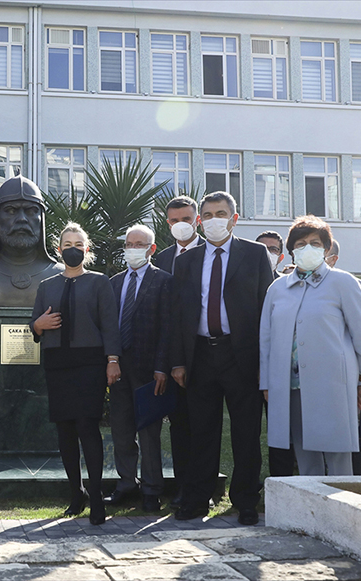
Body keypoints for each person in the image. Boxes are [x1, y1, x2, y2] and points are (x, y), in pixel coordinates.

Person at [171, 191, 272, 525]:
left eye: (221, 213)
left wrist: (264, 364)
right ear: (200, 219)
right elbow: (181, 315)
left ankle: (244, 501)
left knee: (245, 433)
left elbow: (266, 311)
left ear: (234, 218)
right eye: (208, 214)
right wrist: (179, 361)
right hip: (200, 354)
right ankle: (198, 500)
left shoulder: (255, 254)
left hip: (242, 355)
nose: (214, 219)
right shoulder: (185, 261)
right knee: (202, 432)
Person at [30, 222, 121, 526]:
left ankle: (96, 496)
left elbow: (110, 324)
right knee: (65, 432)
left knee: (87, 428)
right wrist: (38, 325)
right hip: (57, 364)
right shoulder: (46, 286)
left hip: (90, 364)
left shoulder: (99, 282)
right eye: (67, 243)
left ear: (87, 249)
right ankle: (75, 493)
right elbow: (35, 325)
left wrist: (112, 359)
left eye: (78, 243)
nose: (73, 248)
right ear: (58, 249)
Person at [260, 216, 361, 476]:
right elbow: (266, 339)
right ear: (292, 250)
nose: (308, 248)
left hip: (334, 384)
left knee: (338, 454)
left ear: (327, 249)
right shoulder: (278, 288)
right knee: (305, 455)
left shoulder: (343, 283)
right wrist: (267, 382)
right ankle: (309, 513)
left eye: (315, 243)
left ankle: (343, 513)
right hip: (290, 385)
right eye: (301, 243)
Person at [106, 225, 171, 513]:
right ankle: (126, 483)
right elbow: (108, 326)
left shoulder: (164, 281)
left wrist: (161, 368)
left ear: (151, 248)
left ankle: (152, 488)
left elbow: (167, 328)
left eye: (139, 244)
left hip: (149, 369)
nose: (133, 248)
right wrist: (111, 359)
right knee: (120, 428)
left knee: (149, 432)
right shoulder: (114, 282)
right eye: (129, 243)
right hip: (118, 366)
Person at [153, 195, 203, 510]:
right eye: (173, 221)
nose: (180, 225)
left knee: (205, 425)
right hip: (170, 356)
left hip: (205, 354)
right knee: (180, 425)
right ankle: (184, 488)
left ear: (197, 219)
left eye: (186, 219)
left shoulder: (210, 253)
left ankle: (204, 487)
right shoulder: (161, 259)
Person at [0, 175, 64, 307]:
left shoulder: (58, 274)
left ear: (41, 219)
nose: (22, 219)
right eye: (11, 211)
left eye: (31, 211)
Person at [255, 230, 295, 478]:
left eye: (274, 249)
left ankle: (283, 482)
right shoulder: (238, 281)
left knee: (282, 429)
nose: (268, 253)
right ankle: (249, 486)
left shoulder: (288, 285)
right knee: (247, 432)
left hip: (279, 369)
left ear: (281, 256)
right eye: (262, 248)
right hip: (244, 367)